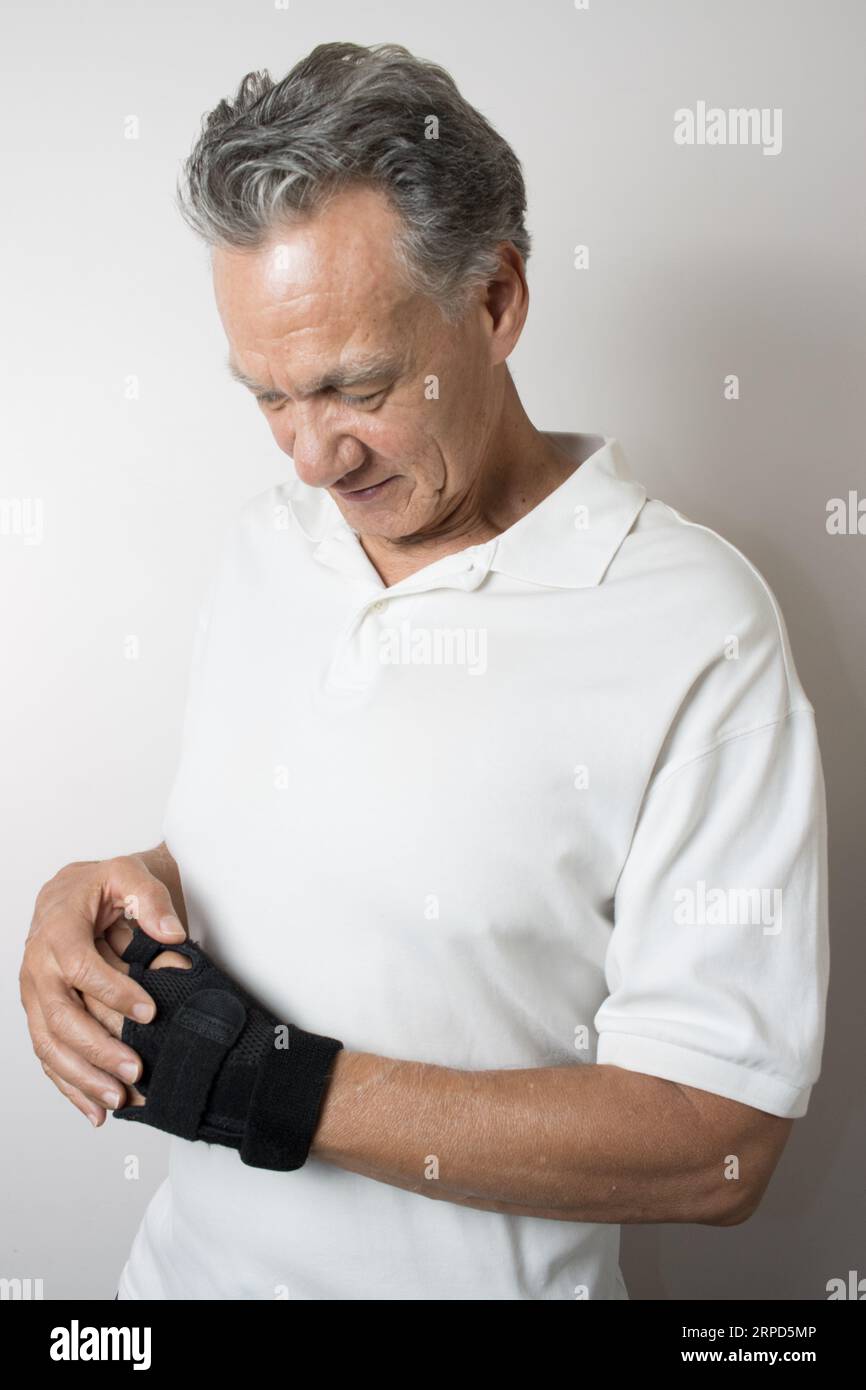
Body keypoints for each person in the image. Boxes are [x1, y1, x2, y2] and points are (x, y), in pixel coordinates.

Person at [20, 41, 828, 1301]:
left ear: (495, 301)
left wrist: (280, 1087)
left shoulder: (696, 628)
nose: (309, 459)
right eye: (268, 397)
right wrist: (108, 896)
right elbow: (321, 855)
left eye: (354, 386)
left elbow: (717, 1145)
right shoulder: (264, 547)